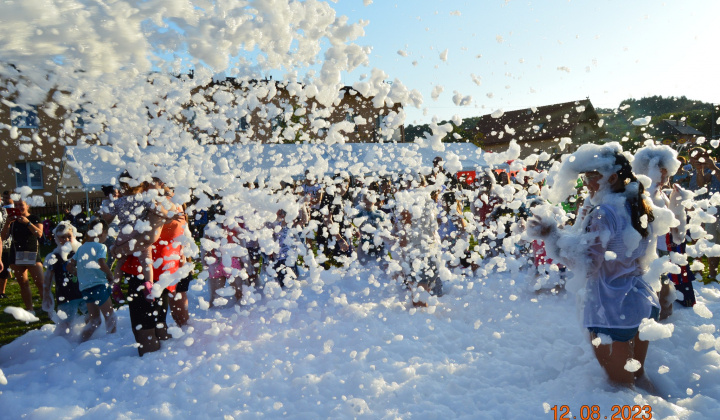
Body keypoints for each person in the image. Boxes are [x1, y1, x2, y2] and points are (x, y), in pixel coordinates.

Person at [527, 143, 660, 390]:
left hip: (611, 308)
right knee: (640, 379)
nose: (586, 183)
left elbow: (587, 264)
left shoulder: (604, 212)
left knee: (621, 389)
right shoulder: (638, 202)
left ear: (611, 176)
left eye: (591, 176)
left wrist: (552, 237)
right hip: (640, 300)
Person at [632, 144, 692, 316]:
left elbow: (676, 232)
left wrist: (677, 203)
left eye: (667, 170)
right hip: (646, 254)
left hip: (661, 252)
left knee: (665, 306)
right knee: (654, 303)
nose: (666, 175)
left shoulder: (660, 194)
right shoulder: (641, 193)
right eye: (662, 170)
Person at [67, 219, 117, 342]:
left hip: (85, 288)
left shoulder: (81, 248)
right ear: (103, 232)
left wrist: (79, 274)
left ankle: (80, 342)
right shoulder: (101, 246)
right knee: (110, 317)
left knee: (95, 320)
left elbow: (69, 266)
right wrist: (110, 275)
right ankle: (112, 343)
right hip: (99, 285)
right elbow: (101, 263)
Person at [41, 222, 86, 335]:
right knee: (65, 325)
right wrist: (47, 294)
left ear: (74, 236)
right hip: (66, 296)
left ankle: (87, 337)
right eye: (62, 237)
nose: (66, 239)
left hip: (84, 292)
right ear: (56, 239)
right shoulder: (54, 256)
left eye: (69, 236)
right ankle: (64, 343)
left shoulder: (79, 252)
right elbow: (48, 278)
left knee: (93, 316)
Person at [1, 199, 44, 312]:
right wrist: (7, 223)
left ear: (27, 206)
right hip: (16, 254)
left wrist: (27, 223)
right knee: (23, 284)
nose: (19, 207)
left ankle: (47, 307)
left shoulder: (34, 218)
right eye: (16, 205)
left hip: (32, 253)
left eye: (21, 205)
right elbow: (3, 237)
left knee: (40, 283)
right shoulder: (13, 220)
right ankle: (30, 309)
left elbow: (39, 234)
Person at [687, 147, 720, 281]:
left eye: (701, 155)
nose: (698, 158)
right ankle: (712, 275)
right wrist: (699, 170)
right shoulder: (697, 170)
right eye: (694, 156)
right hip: (711, 213)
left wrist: (713, 166)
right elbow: (701, 185)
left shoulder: (716, 166)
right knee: (712, 246)